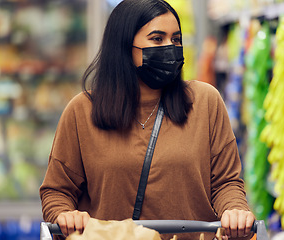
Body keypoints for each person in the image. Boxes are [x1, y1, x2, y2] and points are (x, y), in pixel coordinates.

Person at [39, 0, 255, 239]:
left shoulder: (205, 102)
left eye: (176, 39)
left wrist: (235, 211)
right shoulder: (82, 111)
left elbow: (226, 182)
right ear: (123, 46)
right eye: (157, 39)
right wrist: (65, 214)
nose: (170, 48)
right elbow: (56, 191)